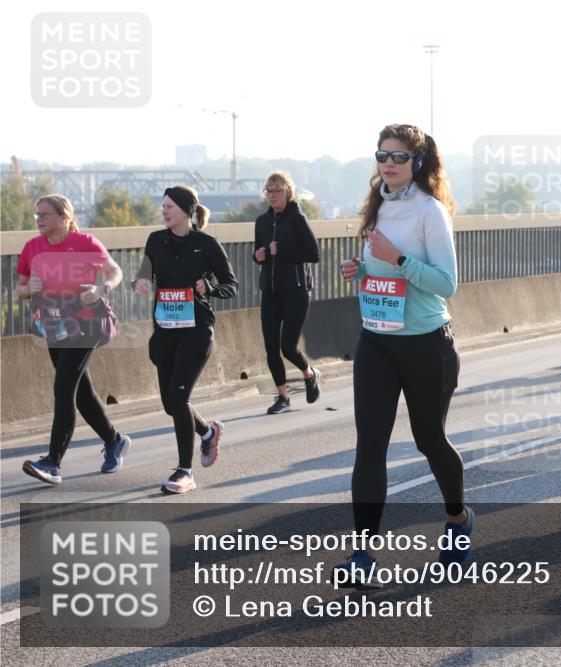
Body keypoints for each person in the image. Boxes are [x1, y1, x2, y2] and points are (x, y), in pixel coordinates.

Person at [336, 124, 471, 586]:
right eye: (382, 155)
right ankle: (363, 554)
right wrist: (361, 268)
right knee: (370, 444)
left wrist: (396, 260)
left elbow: (446, 284)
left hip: (426, 343)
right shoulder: (378, 206)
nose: (387, 163)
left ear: (417, 161)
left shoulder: (430, 211)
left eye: (397, 156)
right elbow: (380, 266)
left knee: (429, 440)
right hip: (376, 339)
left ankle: (457, 520)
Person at [19, 195, 132, 485]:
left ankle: (53, 462)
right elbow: (21, 288)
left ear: (64, 217)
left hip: (86, 323)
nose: (39, 220)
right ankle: (114, 440)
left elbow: (115, 272)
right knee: (81, 392)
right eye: (37, 215)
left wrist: (101, 288)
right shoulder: (33, 247)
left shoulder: (86, 243)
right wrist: (29, 288)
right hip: (54, 326)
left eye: (44, 214)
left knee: (63, 387)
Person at [133, 186, 237, 494]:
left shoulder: (206, 244)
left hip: (197, 329)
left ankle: (184, 471)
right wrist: (139, 279)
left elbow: (231, 285)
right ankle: (207, 432)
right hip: (165, 331)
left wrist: (210, 287)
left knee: (178, 398)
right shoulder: (155, 240)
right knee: (170, 403)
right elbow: (146, 270)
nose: (164, 211)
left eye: (170, 207)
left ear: (186, 211)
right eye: (162, 206)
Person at [253, 170, 322, 415]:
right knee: (270, 346)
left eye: (276, 191)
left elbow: (313, 254)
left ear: (287, 192)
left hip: (296, 291)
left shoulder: (297, 219)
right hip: (270, 292)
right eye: (268, 191)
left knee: (288, 347)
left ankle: (309, 373)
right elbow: (259, 252)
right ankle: (283, 397)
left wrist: (280, 250)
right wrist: (258, 255)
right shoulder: (261, 221)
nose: (272, 196)